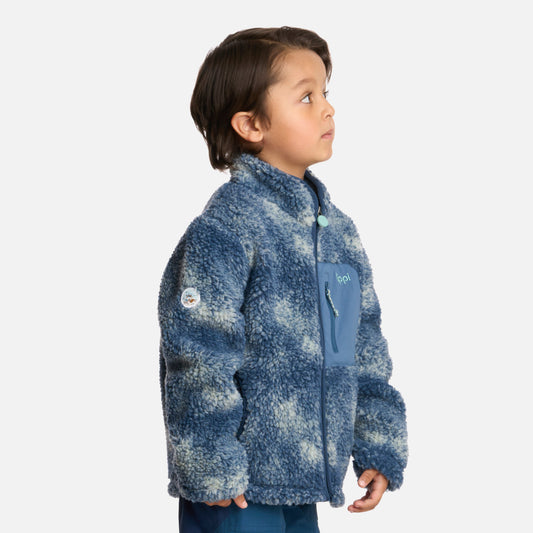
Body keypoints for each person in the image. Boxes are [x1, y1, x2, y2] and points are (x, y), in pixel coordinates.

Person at [158, 26, 408, 533]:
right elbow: (197, 355)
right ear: (251, 124)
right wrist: (211, 463)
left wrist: (377, 444)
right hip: (235, 490)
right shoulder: (226, 229)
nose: (328, 109)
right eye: (307, 97)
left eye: (326, 93)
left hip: (305, 484)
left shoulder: (337, 233)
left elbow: (361, 347)